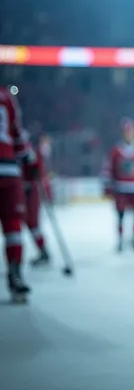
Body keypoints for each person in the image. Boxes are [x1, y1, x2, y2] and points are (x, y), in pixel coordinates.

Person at [0, 86, 35, 302]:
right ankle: (15, 276)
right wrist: (29, 158)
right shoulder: (6, 96)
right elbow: (17, 133)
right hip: (9, 167)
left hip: (9, 167)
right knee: (13, 224)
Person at [102, 118, 134, 252]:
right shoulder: (116, 150)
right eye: (126, 132)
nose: (129, 134)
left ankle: (133, 240)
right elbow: (108, 168)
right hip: (120, 188)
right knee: (120, 215)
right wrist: (108, 186)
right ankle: (120, 240)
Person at [22, 138, 51, 266]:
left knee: (32, 222)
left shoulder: (25, 146)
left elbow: (37, 167)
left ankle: (43, 251)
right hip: (21, 189)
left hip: (29, 191)